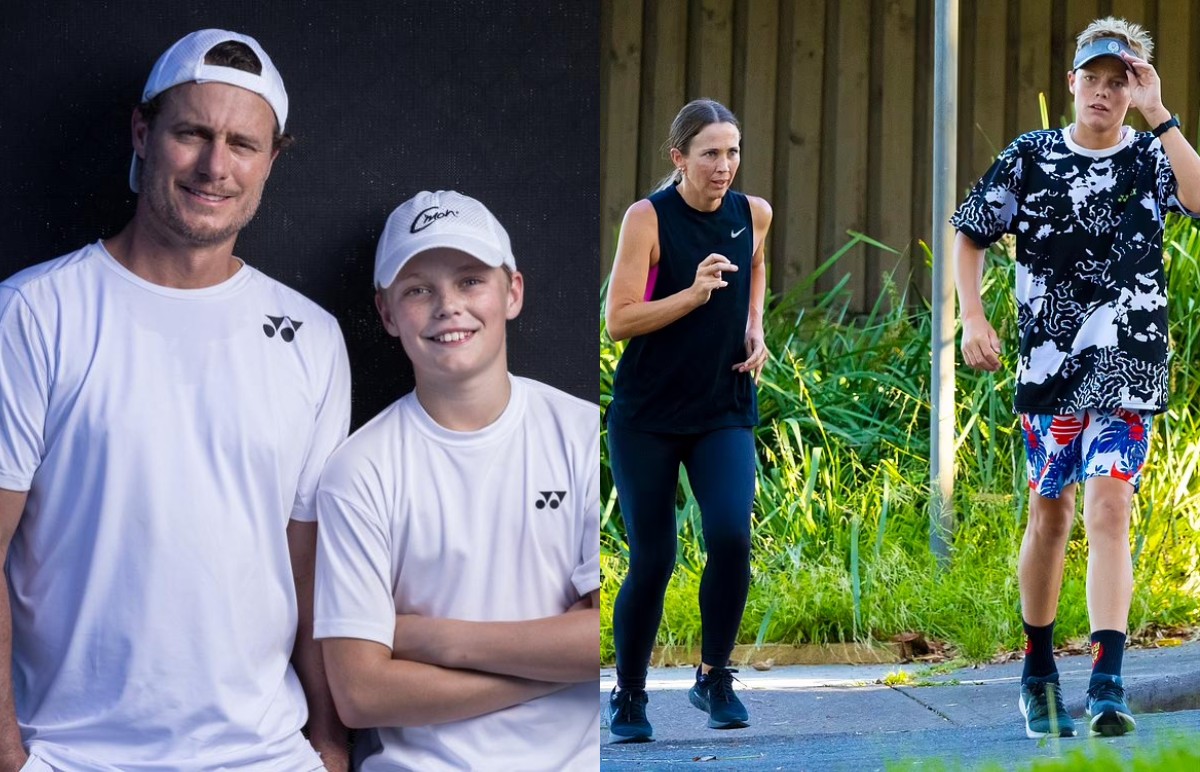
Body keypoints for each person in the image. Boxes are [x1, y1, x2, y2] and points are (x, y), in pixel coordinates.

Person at [0, 29, 351, 771]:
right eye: (191, 132)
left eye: (242, 143)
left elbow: (308, 560)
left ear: (272, 159)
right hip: (70, 755)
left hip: (263, 755)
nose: (214, 166)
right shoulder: (33, 313)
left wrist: (327, 738)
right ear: (143, 131)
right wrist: (8, 751)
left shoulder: (312, 340)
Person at [952, 17, 1200, 739]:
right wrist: (973, 317)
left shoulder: (1152, 157)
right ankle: (1036, 671)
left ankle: (1107, 682)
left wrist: (1160, 114)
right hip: (1051, 369)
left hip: (1129, 364)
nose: (1102, 91)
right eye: (1092, 78)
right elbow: (970, 231)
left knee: (1110, 512)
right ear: (1071, 84)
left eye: (1118, 81)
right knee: (1051, 516)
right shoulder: (1031, 156)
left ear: (1133, 88)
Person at [313, 190, 600, 771]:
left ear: (512, 292)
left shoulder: (586, 437)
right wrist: (551, 675)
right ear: (388, 314)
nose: (449, 306)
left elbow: (606, 641)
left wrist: (429, 639)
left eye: (471, 280)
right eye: (418, 289)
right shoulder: (358, 471)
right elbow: (361, 693)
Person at [602, 98, 773, 742]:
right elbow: (618, 321)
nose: (723, 166)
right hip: (648, 415)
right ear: (679, 158)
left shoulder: (752, 213)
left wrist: (755, 323)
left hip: (723, 408)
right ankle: (629, 694)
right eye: (710, 154)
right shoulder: (647, 220)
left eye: (732, 152)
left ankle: (714, 675)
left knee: (730, 536)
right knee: (654, 555)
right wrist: (694, 294)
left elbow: (755, 264)